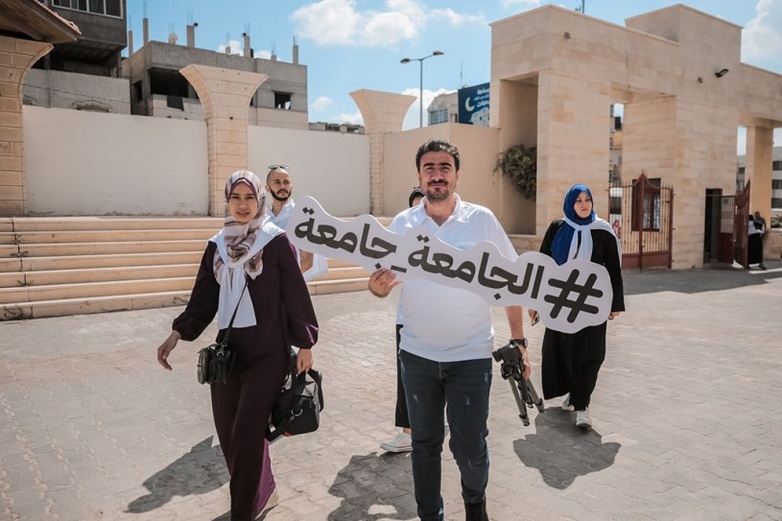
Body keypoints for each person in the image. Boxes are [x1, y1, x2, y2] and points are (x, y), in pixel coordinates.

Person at [368, 139, 529, 521]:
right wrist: (376, 288)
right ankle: (430, 515)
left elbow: (510, 282)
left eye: (444, 167)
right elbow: (379, 283)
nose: (437, 175)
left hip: (471, 356)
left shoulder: (482, 220)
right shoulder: (404, 224)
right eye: (429, 168)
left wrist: (519, 341)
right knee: (424, 445)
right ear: (419, 175)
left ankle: (475, 505)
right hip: (417, 355)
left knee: (471, 446)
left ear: (457, 174)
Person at [156, 170, 319, 520]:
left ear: (259, 200)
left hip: (268, 352)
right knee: (229, 434)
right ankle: (266, 489)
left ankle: (242, 511)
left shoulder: (275, 241)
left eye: (249, 198)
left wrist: (305, 342)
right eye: (236, 198)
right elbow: (203, 298)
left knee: (247, 433)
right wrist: (177, 333)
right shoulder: (217, 245)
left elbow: (295, 293)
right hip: (229, 354)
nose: (243, 205)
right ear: (227, 201)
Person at [530, 184, 624, 429]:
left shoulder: (603, 232)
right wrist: (535, 302)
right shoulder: (557, 228)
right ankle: (574, 392)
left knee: (591, 354)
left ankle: (583, 405)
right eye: (578, 200)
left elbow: (613, 269)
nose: (584, 204)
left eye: (587, 199)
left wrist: (615, 304)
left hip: (593, 304)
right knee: (560, 350)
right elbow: (543, 265)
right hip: (560, 302)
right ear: (570, 204)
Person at [381, 186, 426, 453]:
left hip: (439, 319)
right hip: (407, 317)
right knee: (406, 375)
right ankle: (408, 432)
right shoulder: (402, 236)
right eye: (415, 207)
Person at [265, 165, 329, 281]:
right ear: (268, 188)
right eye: (277, 182)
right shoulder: (263, 218)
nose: (283, 186)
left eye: (286, 182)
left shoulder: (302, 216)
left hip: (293, 284)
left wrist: (286, 282)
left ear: (292, 186)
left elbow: (307, 260)